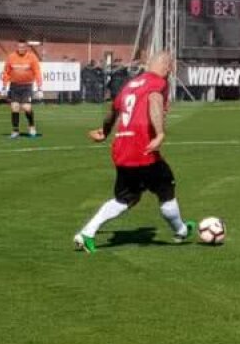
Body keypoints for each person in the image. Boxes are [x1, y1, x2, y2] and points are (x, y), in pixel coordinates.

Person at [72, 51, 195, 253]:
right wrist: (160, 133)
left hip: (122, 146)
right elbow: (154, 101)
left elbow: (113, 108)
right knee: (166, 189)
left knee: (126, 198)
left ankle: (87, 232)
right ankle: (181, 231)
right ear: (168, 67)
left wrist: (105, 131)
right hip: (143, 147)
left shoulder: (131, 85)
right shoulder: (158, 82)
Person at [2, 40, 42, 138]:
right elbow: (6, 72)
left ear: (26, 48)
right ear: (16, 47)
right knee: (14, 107)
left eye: (23, 47)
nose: (21, 49)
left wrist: (39, 88)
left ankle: (32, 127)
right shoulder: (11, 57)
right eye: (19, 47)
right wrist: (4, 86)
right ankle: (15, 131)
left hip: (27, 86)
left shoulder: (32, 57)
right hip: (14, 86)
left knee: (26, 107)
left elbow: (37, 72)